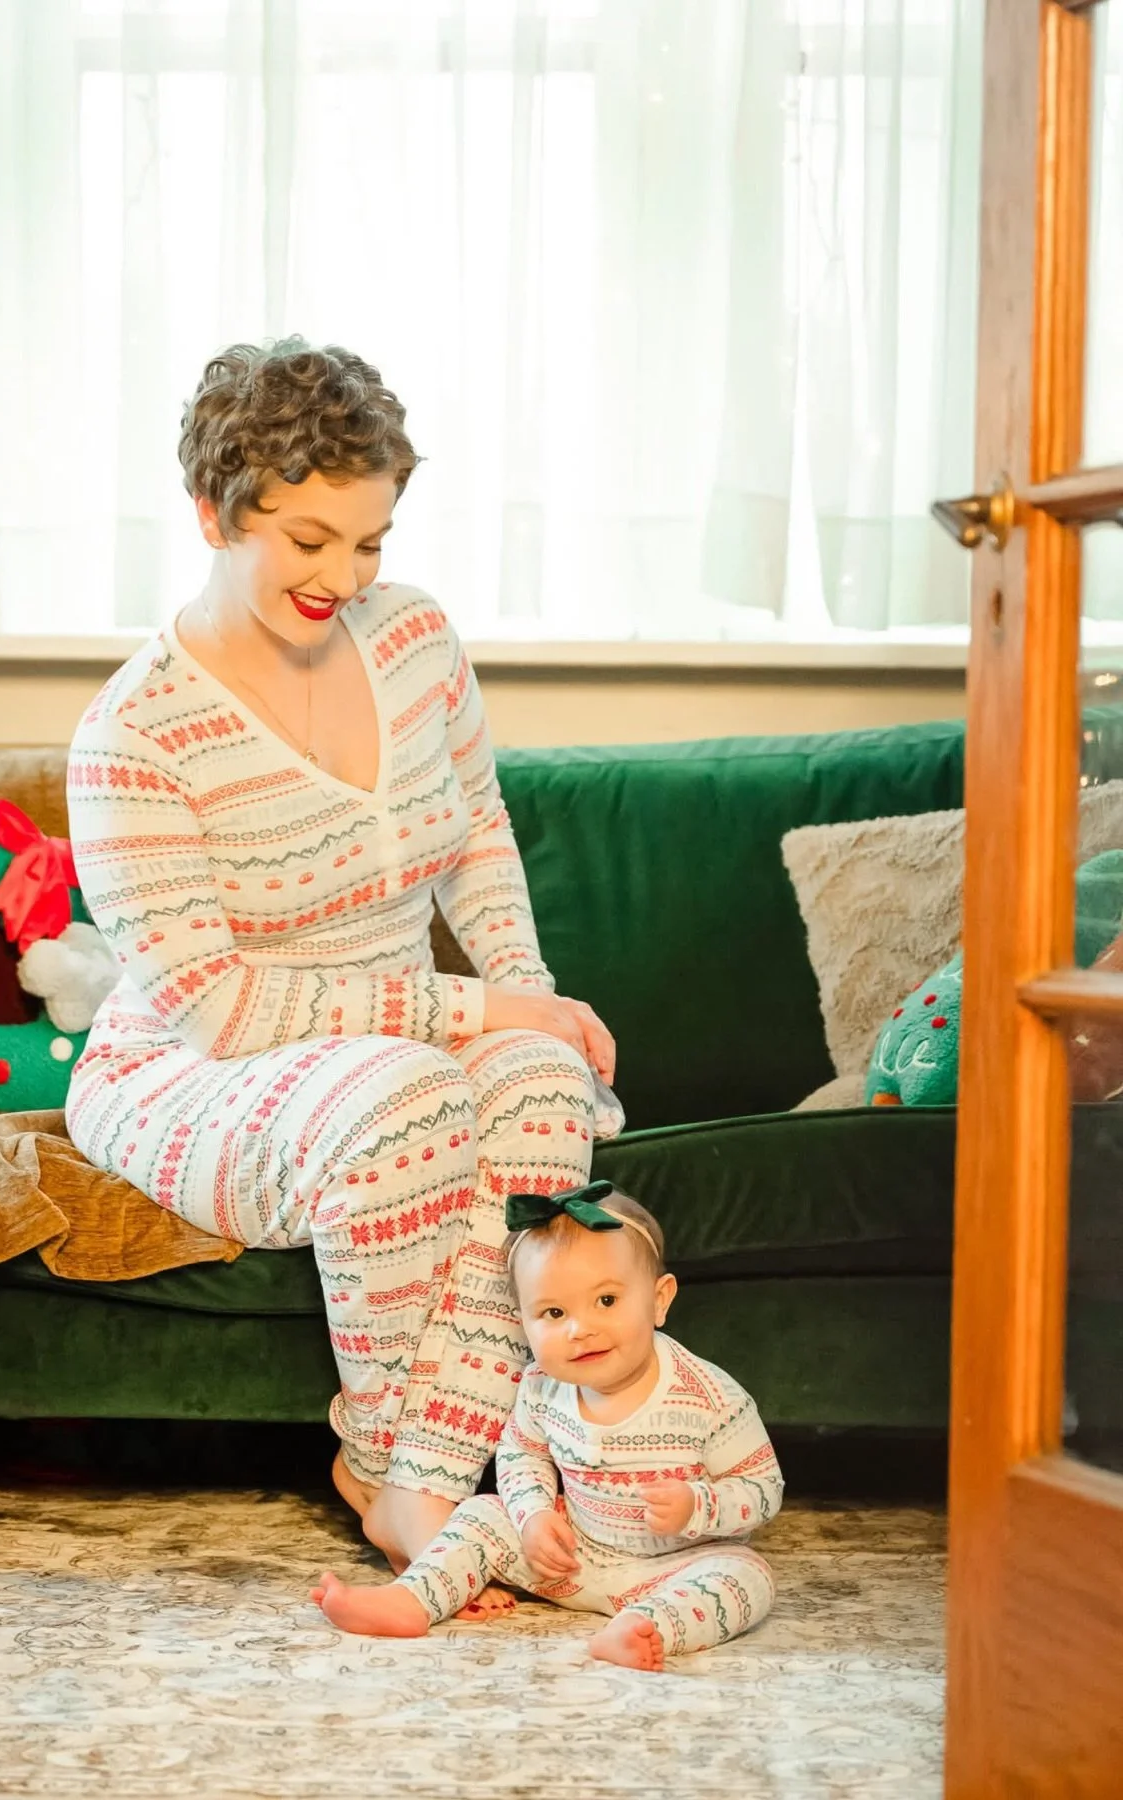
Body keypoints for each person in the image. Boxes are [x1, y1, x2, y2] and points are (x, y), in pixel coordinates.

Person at [66, 338, 617, 1592]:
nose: (344, 577)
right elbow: (220, 1005)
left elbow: (478, 829)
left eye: (368, 542)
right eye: (308, 541)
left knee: (542, 1086)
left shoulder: (415, 637)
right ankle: (391, 1471)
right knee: (404, 1097)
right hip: (194, 1067)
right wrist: (473, 1006)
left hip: (392, 1034)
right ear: (212, 510)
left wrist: (526, 1004)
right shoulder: (135, 734)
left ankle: (414, 1478)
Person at [311, 1180, 783, 1670]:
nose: (580, 1329)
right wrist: (534, 1517)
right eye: (554, 1312)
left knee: (745, 1575)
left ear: (659, 1300)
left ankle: (648, 1627)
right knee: (480, 1516)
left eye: (606, 1301)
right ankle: (410, 1600)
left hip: (671, 1568)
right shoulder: (541, 1385)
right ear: (525, 1324)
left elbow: (764, 1489)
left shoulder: (710, 1396)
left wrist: (697, 1506)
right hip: (570, 1560)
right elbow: (521, 1456)